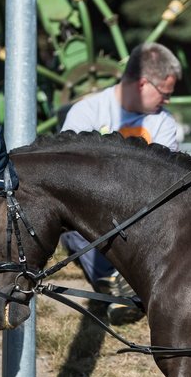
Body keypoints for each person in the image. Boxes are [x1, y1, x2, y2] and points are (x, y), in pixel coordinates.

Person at [59, 43, 183, 324]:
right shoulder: (87, 113)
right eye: (165, 93)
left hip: (142, 213)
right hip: (95, 211)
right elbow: (72, 177)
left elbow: (162, 179)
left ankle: (123, 286)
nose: (167, 101)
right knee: (76, 223)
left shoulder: (162, 122)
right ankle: (122, 285)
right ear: (142, 83)